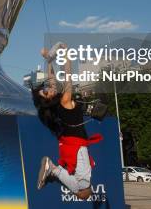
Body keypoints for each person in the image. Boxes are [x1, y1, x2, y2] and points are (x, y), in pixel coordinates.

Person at [33, 43, 103, 200]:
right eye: (45, 92)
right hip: (76, 147)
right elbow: (67, 76)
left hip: (70, 146)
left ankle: (53, 170)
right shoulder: (64, 100)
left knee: (84, 192)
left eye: (46, 88)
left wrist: (49, 60)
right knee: (85, 192)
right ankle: (52, 169)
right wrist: (65, 53)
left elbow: (52, 78)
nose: (48, 88)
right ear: (48, 99)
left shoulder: (57, 104)